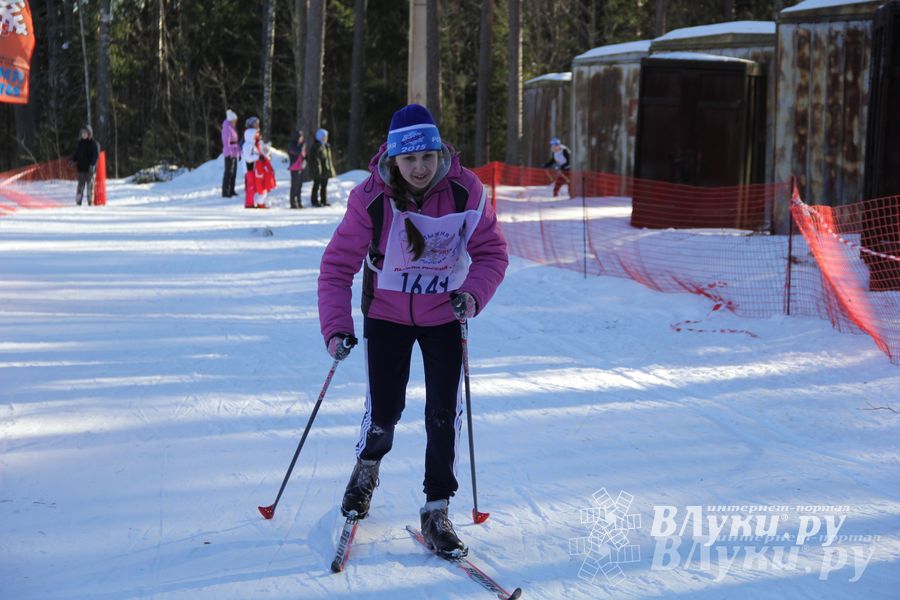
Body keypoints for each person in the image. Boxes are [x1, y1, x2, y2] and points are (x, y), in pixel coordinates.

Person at [317, 104, 508, 558]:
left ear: (439, 152)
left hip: (445, 315)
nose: (420, 168)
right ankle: (366, 468)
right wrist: (337, 327)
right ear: (393, 160)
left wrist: (474, 295)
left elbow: (493, 254)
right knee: (385, 409)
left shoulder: (466, 191)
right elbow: (336, 267)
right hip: (385, 315)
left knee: (444, 413)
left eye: (428, 157)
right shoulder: (371, 197)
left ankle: (437, 508)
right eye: (410, 159)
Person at [242, 116, 276, 208]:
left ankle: (259, 202)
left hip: (258, 168)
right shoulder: (248, 144)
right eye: (255, 124)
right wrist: (258, 157)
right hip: (250, 168)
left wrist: (266, 156)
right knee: (251, 186)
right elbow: (248, 157)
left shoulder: (257, 142)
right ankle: (249, 203)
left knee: (260, 185)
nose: (257, 125)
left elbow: (262, 151)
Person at [70, 125, 100, 206]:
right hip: (81, 169)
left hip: (90, 169)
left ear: (89, 133)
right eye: (82, 133)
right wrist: (72, 160)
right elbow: (76, 154)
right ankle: (78, 201)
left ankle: (90, 201)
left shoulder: (94, 143)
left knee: (90, 186)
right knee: (80, 186)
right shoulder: (80, 143)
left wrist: (92, 165)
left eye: (85, 133)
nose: (83, 134)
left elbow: (95, 155)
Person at [308, 128, 336, 207]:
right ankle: (314, 201)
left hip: (325, 170)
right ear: (320, 137)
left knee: (324, 186)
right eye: (324, 137)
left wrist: (330, 170)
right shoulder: (316, 146)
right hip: (318, 171)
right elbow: (314, 160)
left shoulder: (326, 146)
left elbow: (328, 159)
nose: (326, 138)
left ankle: (324, 200)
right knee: (316, 185)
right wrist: (317, 170)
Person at [221, 109, 241, 198]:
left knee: (233, 173)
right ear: (231, 120)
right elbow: (226, 142)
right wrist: (229, 153)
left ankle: (231, 190)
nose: (236, 121)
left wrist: (238, 152)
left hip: (234, 152)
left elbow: (236, 141)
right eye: (235, 120)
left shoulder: (232, 128)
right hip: (229, 153)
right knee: (228, 173)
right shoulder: (227, 128)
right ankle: (226, 191)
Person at [287, 129, 307, 209]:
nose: (302, 138)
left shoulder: (300, 144)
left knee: (299, 186)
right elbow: (297, 152)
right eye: (300, 136)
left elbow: (304, 155)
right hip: (294, 168)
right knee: (295, 186)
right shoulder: (292, 145)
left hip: (300, 167)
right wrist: (302, 146)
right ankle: (293, 203)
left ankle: (299, 202)